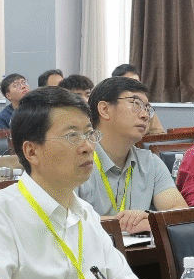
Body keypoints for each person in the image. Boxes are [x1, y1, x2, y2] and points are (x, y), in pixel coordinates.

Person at [0, 86, 177, 279]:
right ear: (31, 151)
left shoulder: (85, 213)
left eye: (89, 134)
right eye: (72, 136)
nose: (88, 147)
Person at [76, 77, 187, 234]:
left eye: (147, 108)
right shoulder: (76, 158)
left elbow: (180, 213)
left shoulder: (150, 162)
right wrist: (119, 224)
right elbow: (65, 218)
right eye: (136, 104)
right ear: (104, 109)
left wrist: (150, 220)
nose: (145, 115)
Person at [110, 63, 164, 135]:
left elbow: (159, 134)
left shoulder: (146, 107)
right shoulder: (110, 105)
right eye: (129, 83)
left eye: (137, 83)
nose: (135, 87)